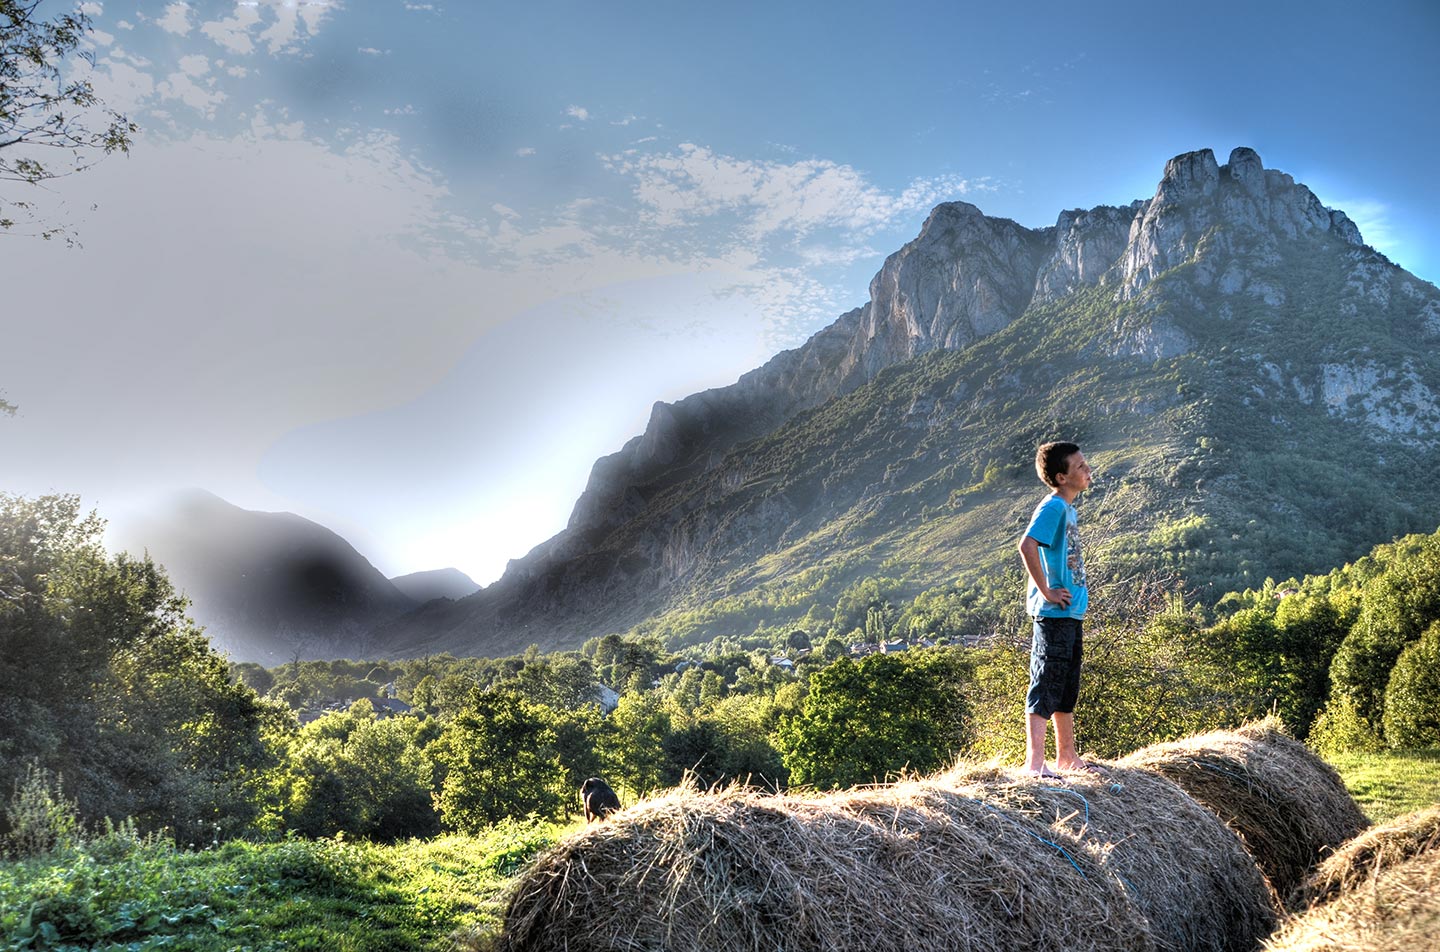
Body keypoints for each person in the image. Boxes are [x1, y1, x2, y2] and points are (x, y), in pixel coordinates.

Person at [1017, 440, 1101, 778]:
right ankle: (1035, 764)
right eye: (1079, 466)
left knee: (1067, 686)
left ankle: (1068, 756)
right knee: (1046, 683)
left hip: (1070, 613)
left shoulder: (1069, 509)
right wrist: (1046, 591)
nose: (1087, 469)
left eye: (1084, 463)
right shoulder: (1052, 507)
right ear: (1061, 477)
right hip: (1053, 614)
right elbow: (1026, 545)